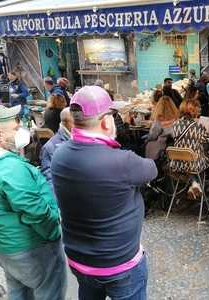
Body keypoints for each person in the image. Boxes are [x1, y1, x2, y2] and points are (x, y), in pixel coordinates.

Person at [51, 86, 157, 300]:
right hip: (119, 266)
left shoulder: (58, 154)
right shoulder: (122, 161)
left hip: (79, 261)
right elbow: (152, 169)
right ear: (105, 121)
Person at [0, 104, 66, 300]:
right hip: (31, 247)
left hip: (6, 246)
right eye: (15, 128)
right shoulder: (9, 169)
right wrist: (53, 232)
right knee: (49, 292)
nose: (21, 130)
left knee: (19, 291)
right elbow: (36, 211)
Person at [171, 99, 209, 199]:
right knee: (205, 161)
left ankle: (194, 185)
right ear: (194, 111)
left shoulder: (175, 124)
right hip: (194, 164)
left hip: (177, 163)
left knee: (191, 160)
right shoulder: (198, 126)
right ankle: (197, 185)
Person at [40, 107, 73, 186]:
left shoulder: (83, 139)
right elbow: (50, 180)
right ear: (66, 122)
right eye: (77, 121)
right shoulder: (50, 147)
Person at [145, 96, 179, 160]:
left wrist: (146, 139)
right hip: (173, 149)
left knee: (148, 143)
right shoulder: (177, 118)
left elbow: (153, 136)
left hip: (159, 151)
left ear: (159, 106)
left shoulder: (158, 121)